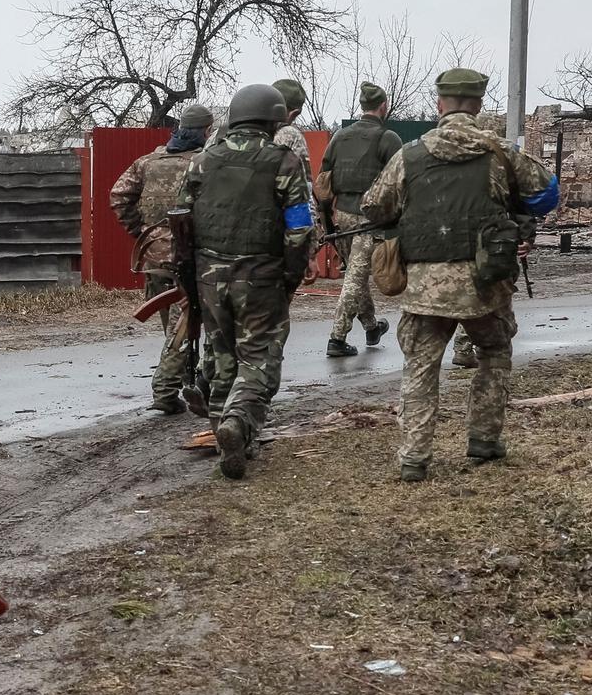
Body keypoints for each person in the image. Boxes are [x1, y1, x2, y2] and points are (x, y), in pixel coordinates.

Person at [362, 69, 558, 482]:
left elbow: (375, 207)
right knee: (493, 351)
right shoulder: (501, 152)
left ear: (439, 105)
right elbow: (547, 192)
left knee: (420, 366)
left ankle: (414, 457)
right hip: (486, 284)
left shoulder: (408, 156)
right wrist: (516, 209)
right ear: (479, 105)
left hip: (425, 288)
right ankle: (484, 439)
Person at [176, 82, 316, 480]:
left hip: (208, 276)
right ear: (272, 120)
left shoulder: (202, 161)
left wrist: (191, 278)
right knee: (258, 358)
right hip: (261, 276)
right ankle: (238, 422)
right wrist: (291, 273)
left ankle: (227, 440)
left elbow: (181, 220)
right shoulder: (283, 161)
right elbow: (299, 228)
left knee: (221, 357)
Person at [107, 102, 213, 414]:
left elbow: (118, 196)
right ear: (206, 131)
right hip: (188, 254)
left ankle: (184, 381)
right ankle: (166, 390)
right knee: (184, 324)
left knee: (173, 323)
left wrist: (140, 230)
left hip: (153, 254)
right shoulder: (204, 163)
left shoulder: (147, 162)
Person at [316, 83, 400, 357]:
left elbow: (324, 183)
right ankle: (336, 338)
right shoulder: (388, 139)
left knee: (357, 273)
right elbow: (399, 183)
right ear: (383, 106)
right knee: (354, 277)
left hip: (342, 217)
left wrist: (328, 223)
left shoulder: (340, 137)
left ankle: (372, 326)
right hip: (370, 220)